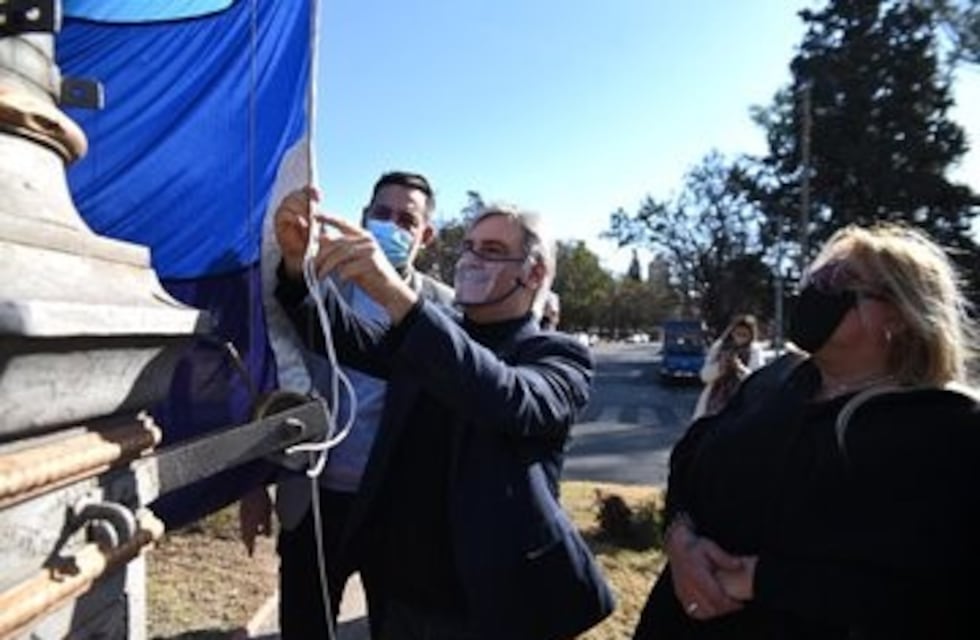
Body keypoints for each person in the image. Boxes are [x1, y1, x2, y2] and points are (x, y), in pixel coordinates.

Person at [272, 189, 615, 639]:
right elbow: (341, 336)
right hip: (402, 592)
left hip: (484, 604)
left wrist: (395, 294)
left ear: (534, 273)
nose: (471, 260)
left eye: (492, 250)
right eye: (468, 247)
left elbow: (506, 396)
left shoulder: (559, 356)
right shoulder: (432, 332)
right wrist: (296, 267)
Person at [634, 222, 980, 639]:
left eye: (838, 280)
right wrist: (680, 537)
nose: (817, 292)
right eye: (815, 278)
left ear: (899, 314)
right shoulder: (776, 379)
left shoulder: (947, 430)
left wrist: (762, 580)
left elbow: (937, 591)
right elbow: (692, 454)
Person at [240, 171, 454, 639]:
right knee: (305, 628)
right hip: (312, 505)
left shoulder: (447, 313)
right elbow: (269, 379)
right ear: (363, 217)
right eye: (382, 213)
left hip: (396, 513)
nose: (391, 226)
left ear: (426, 236)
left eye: (407, 220)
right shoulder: (316, 286)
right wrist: (253, 485)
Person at [691, 314, 764, 420]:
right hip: (714, 404)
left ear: (751, 335)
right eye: (737, 333)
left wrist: (740, 368)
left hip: (742, 405)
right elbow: (704, 376)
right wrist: (720, 367)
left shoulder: (754, 351)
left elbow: (758, 381)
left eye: (744, 335)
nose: (740, 338)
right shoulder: (719, 347)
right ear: (732, 332)